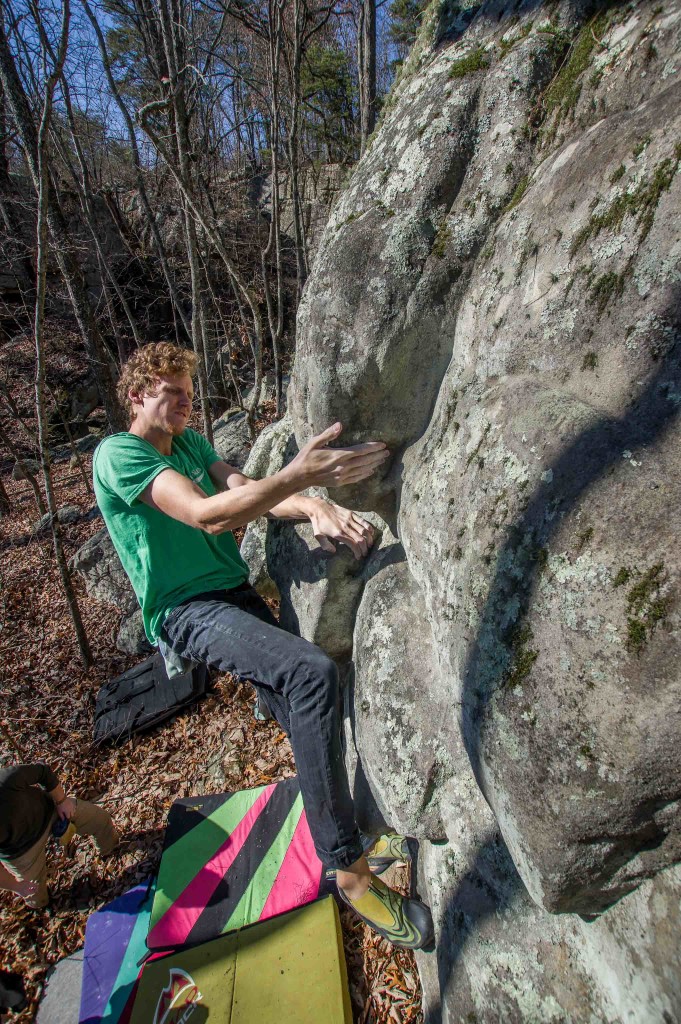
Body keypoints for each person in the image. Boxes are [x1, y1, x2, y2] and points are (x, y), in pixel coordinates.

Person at [92, 342, 434, 950]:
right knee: (309, 675)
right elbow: (208, 514)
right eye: (173, 392)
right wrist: (300, 474)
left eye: (189, 392)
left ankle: (343, 833)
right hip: (187, 611)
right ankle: (350, 872)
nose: (186, 403)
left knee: (297, 709)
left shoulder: (190, 444)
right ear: (138, 394)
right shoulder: (119, 455)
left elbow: (248, 487)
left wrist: (313, 506)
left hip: (232, 592)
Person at [0, 763, 118, 909]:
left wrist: (62, 801)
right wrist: (16, 886)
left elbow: (43, 772)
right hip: (20, 853)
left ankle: (111, 851)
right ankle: (44, 908)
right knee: (34, 895)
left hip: (51, 812)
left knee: (100, 820)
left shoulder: (5, 780)